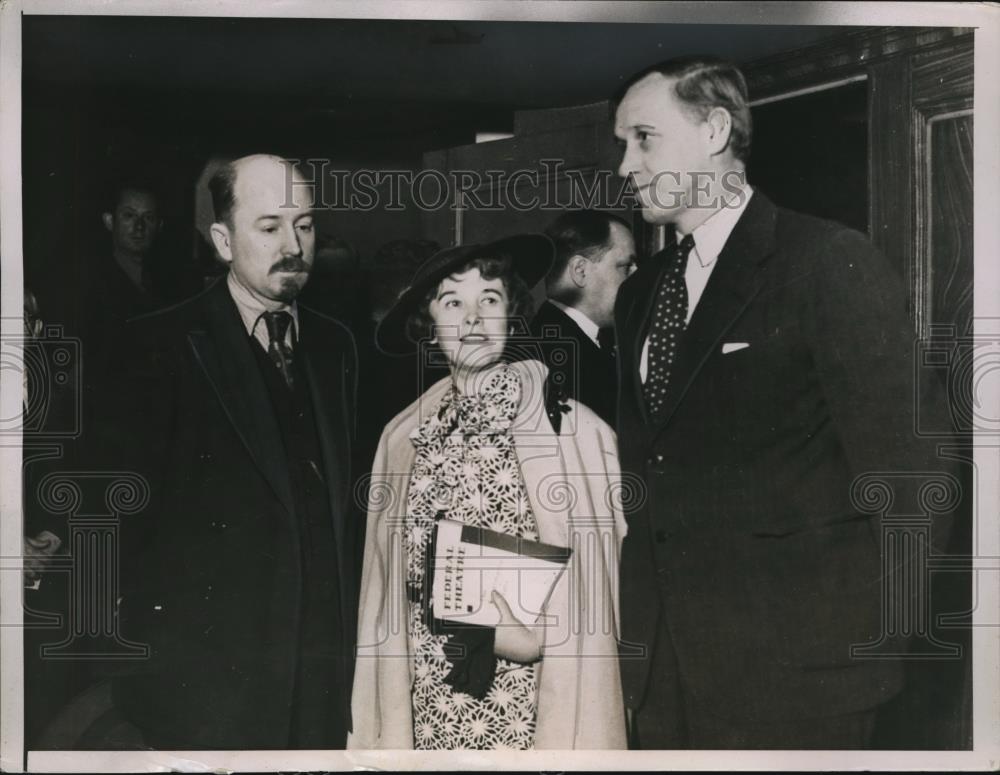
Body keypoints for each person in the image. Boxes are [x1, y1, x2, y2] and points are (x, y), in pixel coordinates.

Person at [612, 56, 955, 749]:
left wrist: (858, 647)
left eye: (642, 138)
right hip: (662, 673)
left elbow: (915, 478)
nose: (624, 164)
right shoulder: (641, 291)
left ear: (714, 130)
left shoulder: (825, 262)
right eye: (622, 143)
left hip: (799, 682)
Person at [98, 154, 358, 749]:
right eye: (269, 227)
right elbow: (125, 524)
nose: (293, 245)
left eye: (306, 224)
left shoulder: (338, 345)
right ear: (222, 240)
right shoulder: (157, 344)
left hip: (319, 671)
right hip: (212, 679)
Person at [348, 235, 627, 749]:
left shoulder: (571, 430)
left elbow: (606, 584)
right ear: (429, 327)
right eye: (453, 303)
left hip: (526, 703)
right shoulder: (402, 439)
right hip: (427, 697)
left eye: (490, 300)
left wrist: (532, 633)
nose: (473, 319)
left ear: (512, 315)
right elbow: (383, 592)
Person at [531, 210, 636, 426]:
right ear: (580, 271)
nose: (638, 277)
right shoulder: (554, 359)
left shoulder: (568, 341)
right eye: (626, 266)